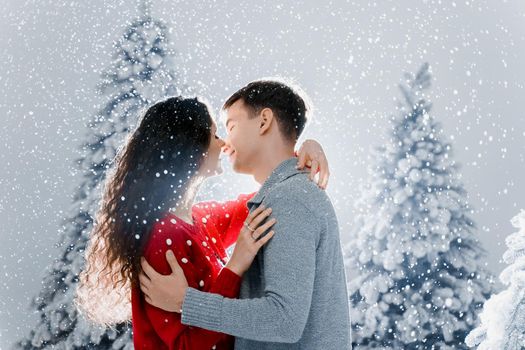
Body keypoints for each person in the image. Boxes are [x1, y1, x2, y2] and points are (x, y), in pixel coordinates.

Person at [75, 96, 329, 349]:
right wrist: (235, 265)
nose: (223, 144)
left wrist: (302, 151)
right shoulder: (163, 238)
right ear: (191, 148)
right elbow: (189, 345)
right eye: (214, 135)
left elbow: (264, 198)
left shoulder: (201, 220)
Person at [140, 79, 351, 349]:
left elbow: (283, 320)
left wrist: (187, 302)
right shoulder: (282, 196)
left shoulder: (291, 199)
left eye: (231, 126)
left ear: (264, 121)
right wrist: (300, 153)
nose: (225, 143)